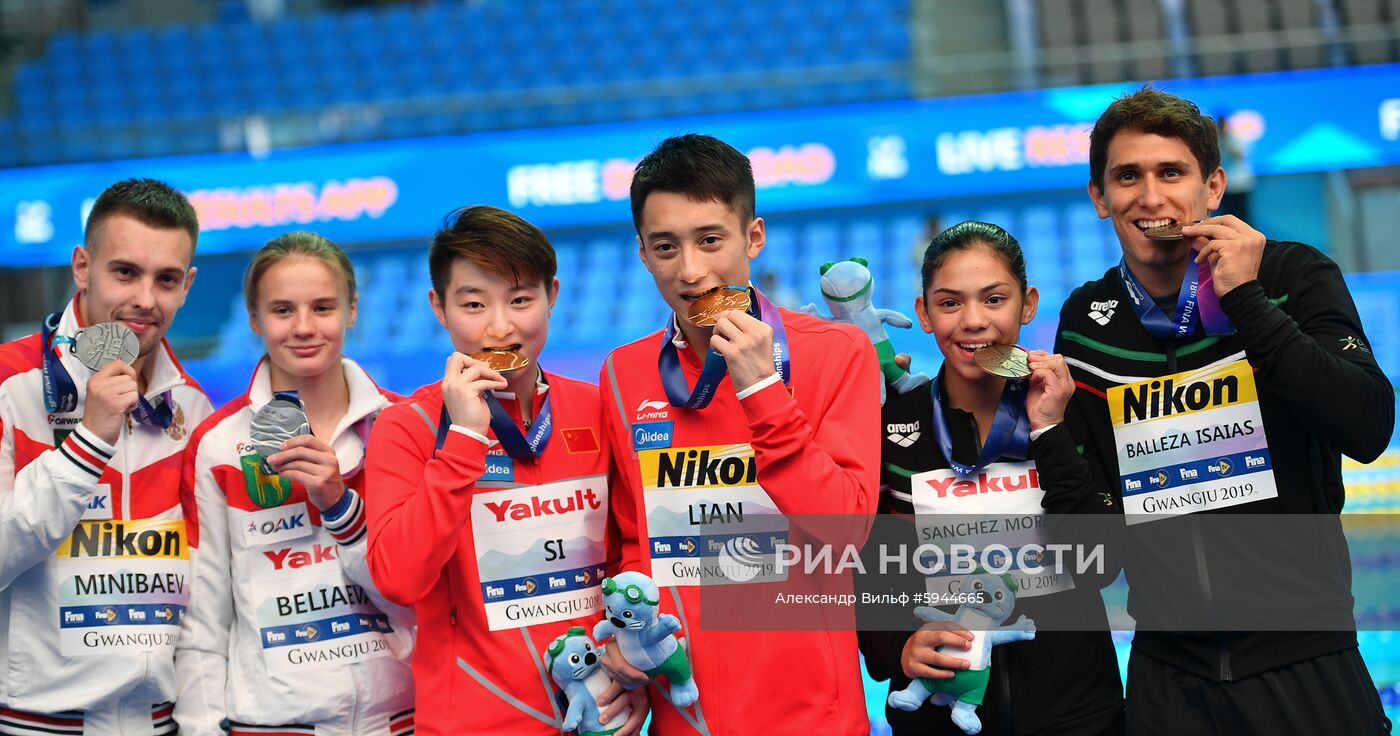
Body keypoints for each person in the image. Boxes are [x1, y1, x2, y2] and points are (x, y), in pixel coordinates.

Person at [1057, 86, 1394, 734]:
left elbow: (1369, 425)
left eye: (1171, 172)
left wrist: (1247, 299)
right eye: (1128, 176)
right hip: (1168, 679)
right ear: (1100, 197)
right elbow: (1097, 518)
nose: (1150, 196)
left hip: (1308, 662)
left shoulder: (1292, 274)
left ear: (1213, 186)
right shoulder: (1087, 322)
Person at [597, 133, 881, 734]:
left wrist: (761, 391)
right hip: (688, 713)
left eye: (710, 240)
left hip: (813, 716)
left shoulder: (838, 352)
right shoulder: (623, 373)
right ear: (644, 254)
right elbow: (631, 538)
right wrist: (626, 638)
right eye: (665, 247)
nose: (691, 271)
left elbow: (846, 529)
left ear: (753, 237)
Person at [364, 206, 646, 735]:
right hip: (471, 722)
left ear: (552, 296)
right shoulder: (409, 427)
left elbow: (629, 555)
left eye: (520, 300)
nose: (500, 326)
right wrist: (465, 439)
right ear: (439, 308)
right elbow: (400, 579)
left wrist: (631, 674)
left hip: (598, 714)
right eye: (474, 304)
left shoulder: (599, 409)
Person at [859, 221, 1124, 735]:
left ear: (1028, 305)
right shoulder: (889, 422)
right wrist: (897, 645)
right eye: (951, 303)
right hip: (940, 716)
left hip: (1076, 714)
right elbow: (868, 570)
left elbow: (1102, 564)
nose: (974, 322)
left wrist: (1048, 430)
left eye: (994, 299)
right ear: (924, 313)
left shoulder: (1073, 409)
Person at [174, 232, 415, 734]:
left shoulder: (403, 426)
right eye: (282, 310)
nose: (304, 328)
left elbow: (418, 588)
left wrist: (340, 504)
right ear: (255, 320)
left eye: (322, 307)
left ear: (351, 311)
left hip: (402, 719)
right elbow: (203, 615)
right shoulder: (219, 445)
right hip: (272, 723)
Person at [0, 178, 211, 732]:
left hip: (160, 721)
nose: (145, 299)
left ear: (187, 286)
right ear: (81, 267)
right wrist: (87, 444)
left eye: (166, 279)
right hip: (37, 722)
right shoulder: (8, 383)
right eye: (125, 272)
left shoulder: (191, 405)